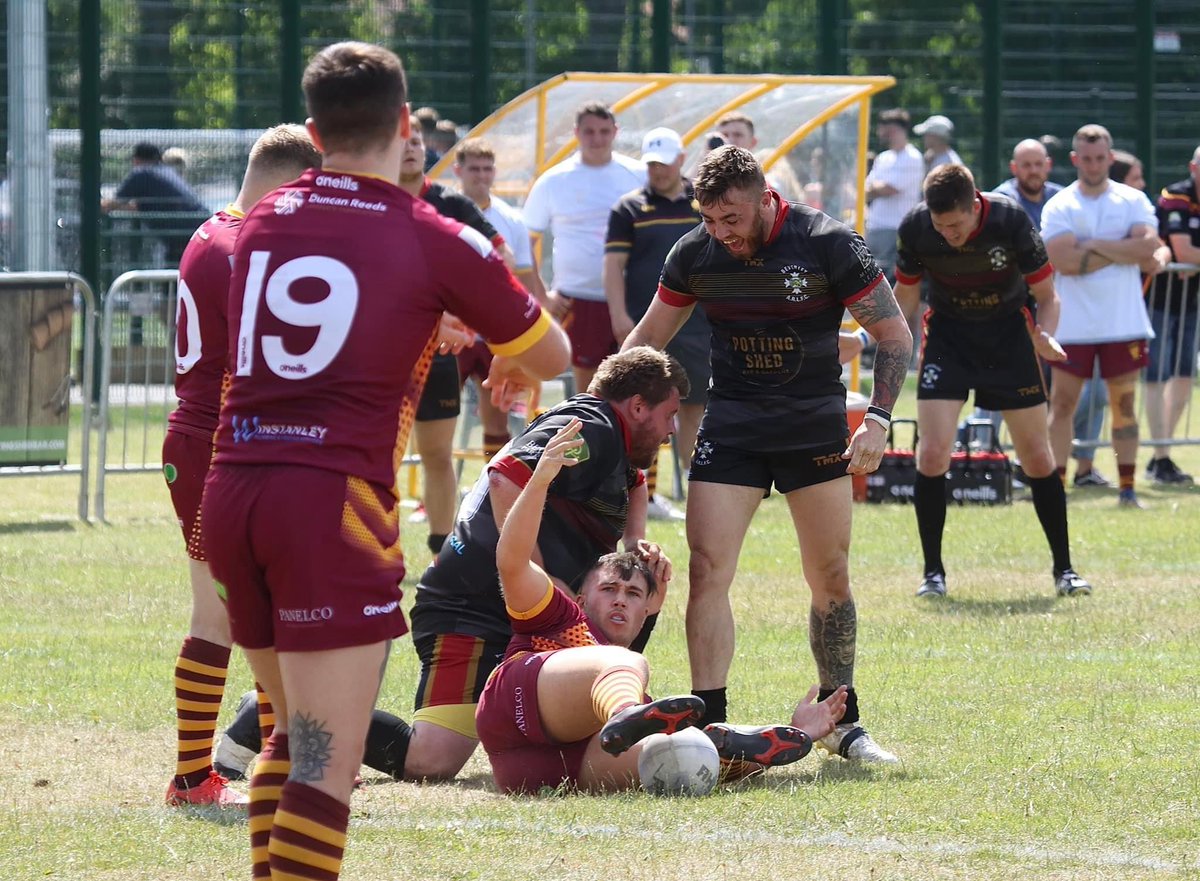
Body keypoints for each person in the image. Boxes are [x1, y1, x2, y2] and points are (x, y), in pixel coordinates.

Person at [200, 41, 568, 881]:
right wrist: (491, 338)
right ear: (406, 125)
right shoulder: (431, 235)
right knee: (327, 765)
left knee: (288, 740)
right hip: (329, 505)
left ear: (313, 128)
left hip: (235, 488)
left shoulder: (262, 214)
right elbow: (549, 351)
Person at [213, 347, 689, 784]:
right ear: (637, 406)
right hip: (472, 609)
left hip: (517, 613)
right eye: (669, 415)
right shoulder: (597, 425)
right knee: (430, 761)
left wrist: (634, 542)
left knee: (591, 701)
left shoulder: (614, 441)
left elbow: (633, 481)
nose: (673, 429)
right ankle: (278, 710)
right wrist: (538, 578)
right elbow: (506, 478)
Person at [622, 145, 913, 763]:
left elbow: (894, 335)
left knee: (829, 574)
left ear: (765, 199)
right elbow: (647, 338)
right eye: (709, 220)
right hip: (733, 427)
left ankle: (842, 720)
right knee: (706, 569)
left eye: (731, 218)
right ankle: (712, 724)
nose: (721, 233)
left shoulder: (828, 242)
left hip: (812, 430)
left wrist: (879, 420)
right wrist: (604, 407)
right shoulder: (695, 252)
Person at [476, 418, 849, 794]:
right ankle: (626, 718)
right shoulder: (558, 615)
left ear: (647, 613)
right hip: (514, 709)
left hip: (541, 771)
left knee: (684, 757)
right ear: (581, 599)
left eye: (635, 594)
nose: (621, 598)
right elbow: (511, 562)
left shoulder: (641, 700)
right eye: (609, 589)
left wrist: (799, 732)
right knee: (625, 666)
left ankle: (715, 744)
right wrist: (540, 480)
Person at [162, 124, 321, 809]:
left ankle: (242, 770)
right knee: (226, 617)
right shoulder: (242, 247)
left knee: (253, 612)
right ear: (290, 183)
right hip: (220, 441)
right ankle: (198, 777)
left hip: (206, 439)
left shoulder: (214, 230)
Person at [893, 163, 1090, 599]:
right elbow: (905, 296)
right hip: (949, 338)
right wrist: (883, 337)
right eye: (940, 225)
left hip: (1009, 337)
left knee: (1038, 457)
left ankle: (1065, 569)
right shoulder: (916, 227)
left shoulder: (1011, 219)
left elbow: (1047, 296)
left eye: (956, 224)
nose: (948, 233)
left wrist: (1046, 336)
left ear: (975, 204)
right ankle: (933, 575)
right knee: (931, 453)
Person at [1041, 124, 1166, 508]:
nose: (1093, 164)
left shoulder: (1132, 199)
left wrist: (1092, 245)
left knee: (1124, 405)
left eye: (1100, 158)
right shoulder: (1060, 205)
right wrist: (1124, 249)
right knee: (1062, 405)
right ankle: (1056, 488)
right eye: (1086, 158)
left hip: (1122, 322)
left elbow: (1150, 245)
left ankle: (1127, 488)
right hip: (1073, 325)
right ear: (1075, 158)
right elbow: (1062, 259)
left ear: (1110, 158)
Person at [400, 126, 510, 557]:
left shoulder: (449, 204)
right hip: (379, 352)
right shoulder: (366, 200)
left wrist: (463, 311)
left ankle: (441, 554)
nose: (409, 148)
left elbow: (500, 257)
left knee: (436, 454)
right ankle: (370, 552)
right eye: (400, 140)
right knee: (372, 458)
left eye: (415, 142)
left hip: (436, 353)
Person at [604, 126, 708, 518]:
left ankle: (699, 490)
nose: (657, 171)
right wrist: (619, 314)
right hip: (649, 324)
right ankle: (646, 494)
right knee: (644, 407)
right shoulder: (628, 208)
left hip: (700, 325)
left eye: (664, 163)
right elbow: (613, 265)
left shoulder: (702, 204)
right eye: (651, 164)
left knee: (695, 408)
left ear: (681, 160)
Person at [523, 101, 646, 394]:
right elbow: (525, 239)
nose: (597, 139)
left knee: (636, 384)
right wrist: (542, 295)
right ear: (576, 132)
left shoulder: (639, 175)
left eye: (604, 131)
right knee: (588, 388)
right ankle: (588, 439)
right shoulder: (554, 180)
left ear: (616, 132)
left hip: (633, 298)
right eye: (589, 131)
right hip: (578, 298)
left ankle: (632, 441)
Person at [454, 137, 550, 460]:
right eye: (474, 169)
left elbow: (523, 279)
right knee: (436, 416)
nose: (481, 176)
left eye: (487, 168)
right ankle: (429, 500)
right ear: (458, 171)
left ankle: (489, 492)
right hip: (452, 331)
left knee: (498, 416)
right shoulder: (445, 211)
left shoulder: (511, 219)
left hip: (496, 335)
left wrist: (528, 329)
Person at [1143, 145, 1200, 485]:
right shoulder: (1175, 196)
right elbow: (1182, 251)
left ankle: (1159, 456)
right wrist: (1189, 259)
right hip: (1158, 301)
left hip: (1190, 302)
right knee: (1155, 377)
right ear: (1193, 167)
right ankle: (1161, 455)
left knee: (1182, 378)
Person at [103, 141, 208, 264]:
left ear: (136, 160)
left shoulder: (142, 173)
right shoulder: (165, 171)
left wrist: (94, 204)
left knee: (173, 274)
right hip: (200, 232)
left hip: (184, 238)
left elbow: (111, 204)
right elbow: (138, 206)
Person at [864, 108, 924, 282]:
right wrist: (877, 188)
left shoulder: (912, 157)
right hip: (875, 225)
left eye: (890, 131)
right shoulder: (883, 158)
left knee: (887, 279)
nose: (885, 134)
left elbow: (889, 189)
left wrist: (876, 188)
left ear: (903, 130)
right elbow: (867, 188)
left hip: (895, 227)